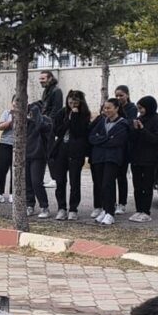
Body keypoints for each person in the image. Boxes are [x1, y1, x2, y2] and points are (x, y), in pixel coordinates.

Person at [50, 90, 90, 220]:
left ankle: (73, 209)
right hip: (61, 150)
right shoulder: (62, 113)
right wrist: (68, 119)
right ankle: (61, 208)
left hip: (76, 152)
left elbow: (79, 132)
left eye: (76, 101)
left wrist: (75, 117)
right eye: (70, 100)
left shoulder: (84, 114)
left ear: (80, 102)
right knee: (60, 181)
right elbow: (57, 131)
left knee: (75, 182)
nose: (72, 103)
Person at [89, 98, 129, 226]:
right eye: (105, 108)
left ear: (116, 108)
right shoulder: (101, 121)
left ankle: (110, 213)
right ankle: (105, 209)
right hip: (99, 158)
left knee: (108, 184)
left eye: (109, 108)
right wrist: (106, 138)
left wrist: (101, 139)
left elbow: (117, 141)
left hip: (112, 158)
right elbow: (92, 137)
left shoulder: (123, 124)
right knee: (100, 184)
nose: (106, 110)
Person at [127, 95, 158, 223]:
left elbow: (155, 139)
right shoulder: (139, 119)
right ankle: (139, 210)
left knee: (147, 186)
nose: (140, 111)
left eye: (141, 108)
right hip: (136, 157)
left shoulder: (157, 120)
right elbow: (132, 138)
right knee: (137, 186)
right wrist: (134, 129)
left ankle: (146, 211)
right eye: (139, 108)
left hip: (149, 158)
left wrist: (142, 129)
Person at [114, 85, 139, 216]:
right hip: (114, 145)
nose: (119, 98)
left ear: (127, 95)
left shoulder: (132, 108)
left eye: (121, 95)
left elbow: (128, 124)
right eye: (117, 95)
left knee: (121, 176)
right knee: (112, 176)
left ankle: (122, 203)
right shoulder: (114, 106)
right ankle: (112, 202)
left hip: (125, 146)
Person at [23, 102, 51, 218]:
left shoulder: (46, 120)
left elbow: (42, 127)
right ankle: (30, 205)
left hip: (39, 156)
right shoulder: (26, 121)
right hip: (26, 155)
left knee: (36, 181)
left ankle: (44, 206)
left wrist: (37, 114)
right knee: (27, 182)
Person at [0, 98, 17, 204]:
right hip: (5, 144)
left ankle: (13, 194)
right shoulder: (7, 113)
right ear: (12, 102)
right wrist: (12, 120)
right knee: (1, 169)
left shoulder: (27, 114)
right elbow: (0, 127)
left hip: (19, 146)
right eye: (15, 101)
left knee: (15, 170)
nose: (17, 103)